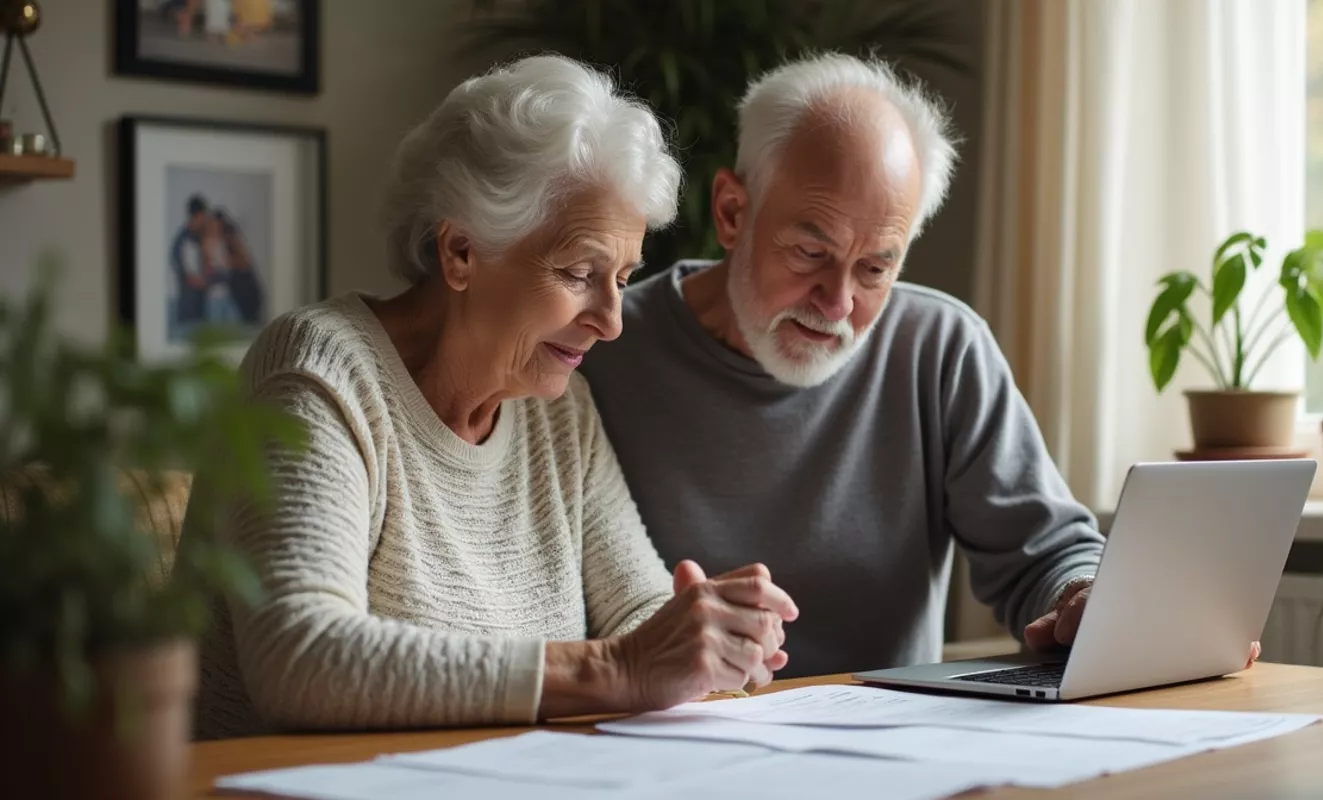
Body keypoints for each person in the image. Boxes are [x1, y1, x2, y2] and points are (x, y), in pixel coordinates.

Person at [581, 54, 1262, 677]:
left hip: (893, 753)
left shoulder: (939, 347)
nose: (838, 303)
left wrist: (1086, 599)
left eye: (876, 267)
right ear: (733, 212)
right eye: (810, 254)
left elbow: (1048, 552)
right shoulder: (598, 345)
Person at [184, 54, 796, 740]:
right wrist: (611, 669)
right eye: (578, 272)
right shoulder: (321, 370)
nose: (611, 320)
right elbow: (301, 658)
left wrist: (703, 640)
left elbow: (640, 613)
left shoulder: (558, 410)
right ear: (461, 253)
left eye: (621, 278)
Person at [170, 194, 211, 328]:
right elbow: (186, 273)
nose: (205, 220)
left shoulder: (199, 237)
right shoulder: (184, 240)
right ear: (197, 215)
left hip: (200, 304)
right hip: (189, 306)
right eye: (203, 216)